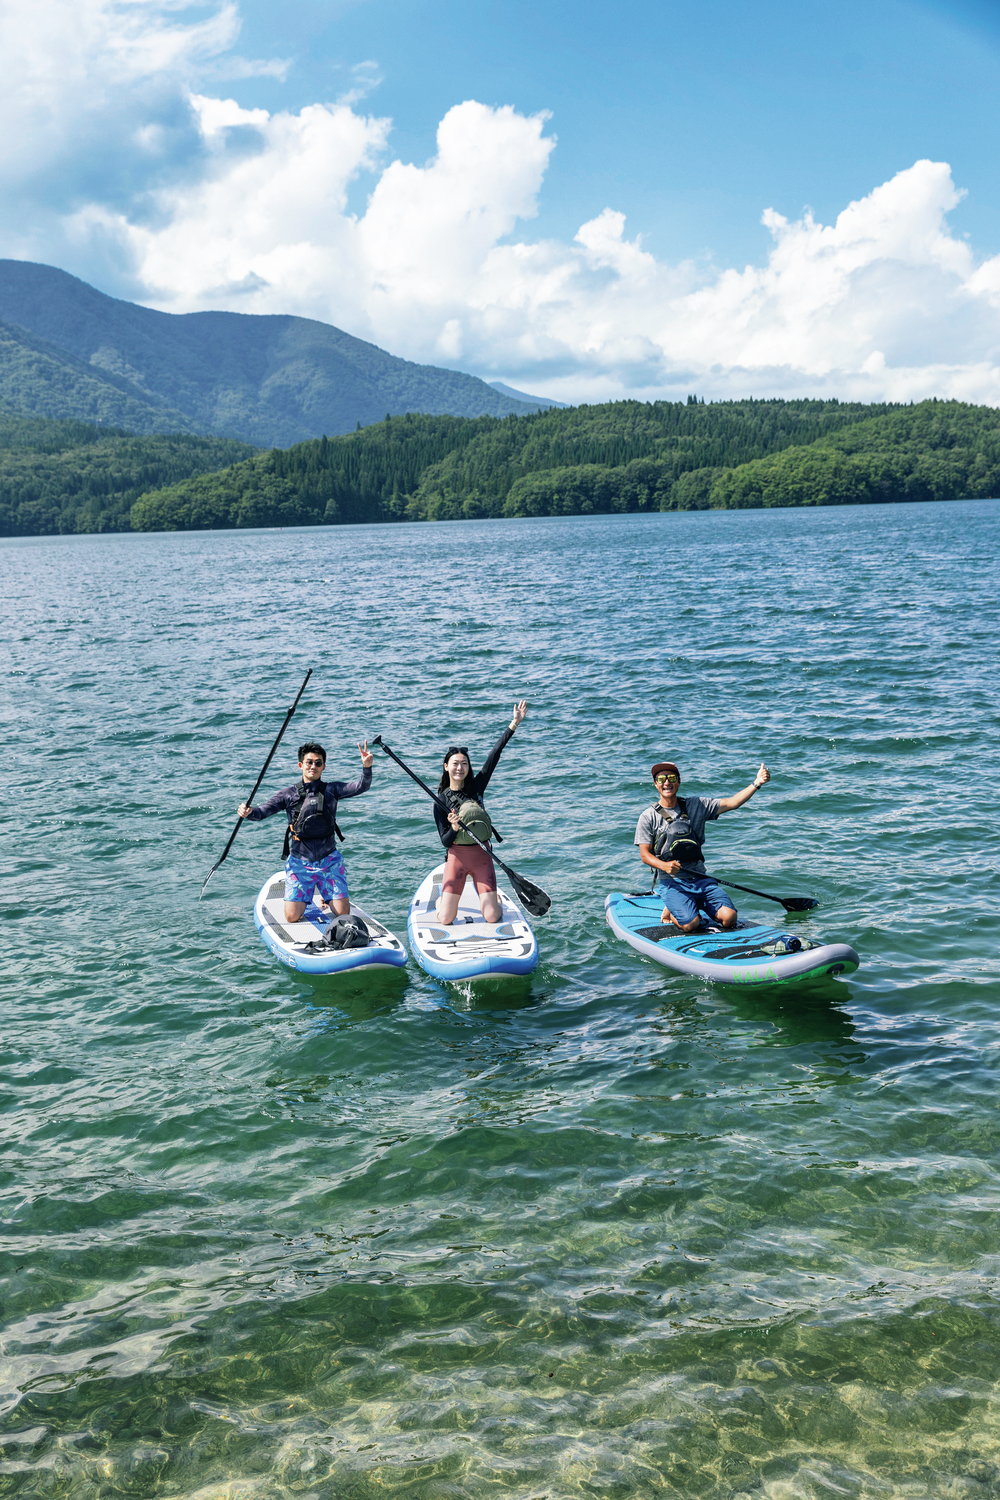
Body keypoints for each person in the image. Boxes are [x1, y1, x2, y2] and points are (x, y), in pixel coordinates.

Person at [237, 739, 373, 924]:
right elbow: (262, 812)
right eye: (309, 762)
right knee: (292, 917)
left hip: (329, 860)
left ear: (324, 767)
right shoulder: (288, 794)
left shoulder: (332, 790)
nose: (313, 766)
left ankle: (325, 891)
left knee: (343, 915)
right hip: (300, 862)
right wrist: (249, 812)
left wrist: (366, 768)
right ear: (301, 765)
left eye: (318, 763)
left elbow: (361, 787)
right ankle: (313, 890)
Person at [635, 759, 771, 933]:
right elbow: (644, 855)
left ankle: (689, 904)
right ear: (655, 784)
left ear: (679, 781)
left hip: (700, 879)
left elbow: (732, 803)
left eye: (671, 777)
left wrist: (757, 783)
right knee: (691, 925)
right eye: (661, 779)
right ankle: (672, 909)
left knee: (729, 918)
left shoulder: (696, 805)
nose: (667, 782)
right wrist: (665, 866)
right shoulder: (648, 817)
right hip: (673, 883)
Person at [434, 701, 528, 926]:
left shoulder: (476, 787)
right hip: (456, 857)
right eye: (455, 763)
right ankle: (441, 902)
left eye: (464, 764)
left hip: (483, 855)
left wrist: (513, 724)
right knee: (446, 919)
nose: (460, 768)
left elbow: (495, 755)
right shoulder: (440, 801)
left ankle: (493, 899)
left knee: (492, 917)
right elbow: (445, 842)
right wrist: (454, 828)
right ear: (446, 766)